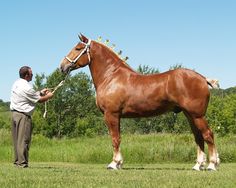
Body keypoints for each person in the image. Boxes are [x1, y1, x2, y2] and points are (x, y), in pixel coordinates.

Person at [10, 66, 53, 168]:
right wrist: (49, 96)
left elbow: (30, 95)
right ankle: (23, 164)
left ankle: (17, 162)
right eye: (31, 74)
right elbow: (40, 100)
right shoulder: (27, 87)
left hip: (14, 115)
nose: (32, 76)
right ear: (27, 75)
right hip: (23, 116)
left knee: (17, 141)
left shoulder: (16, 83)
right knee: (24, 140)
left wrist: (40, 92)